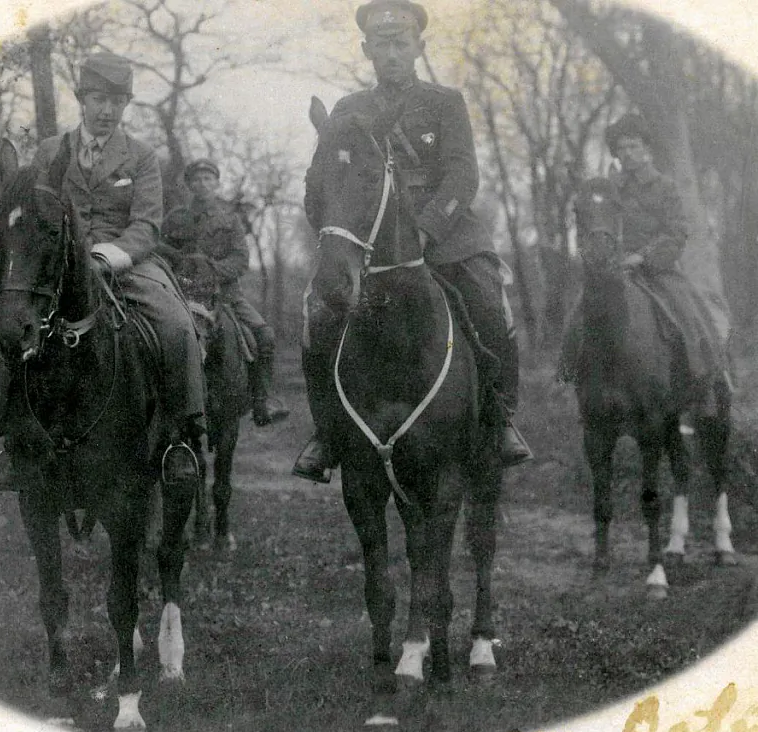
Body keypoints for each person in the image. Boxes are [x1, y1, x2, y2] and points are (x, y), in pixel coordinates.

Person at [292, 0, 533, 484]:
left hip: (443, 238)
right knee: (316, 314)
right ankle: (327, 432)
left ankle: (498, 419)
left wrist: (426, 227)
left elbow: (463, 173)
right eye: (382, 44)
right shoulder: (348, 110)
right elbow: (324, 181)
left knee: (489, 303)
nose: (392, 52)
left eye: (401, 43)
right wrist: (335, 235)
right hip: (369, 246)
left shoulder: (446, 103)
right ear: (366, 50)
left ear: (419, 47)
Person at [0, 51, 206, 489]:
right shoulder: (48, 152)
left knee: (176, 325)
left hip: (128, 264)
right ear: (82, 99)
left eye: (117, 102)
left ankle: (181, 436)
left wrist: (108, 255)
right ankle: (9, 435)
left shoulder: (140, 157)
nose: (107, 111)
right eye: (99, 99)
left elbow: (148, 224)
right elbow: (32, 209)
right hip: (58, 264)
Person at [559, 112, 731, 408]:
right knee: (580, 310)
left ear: (647, 149)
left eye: (634, 146)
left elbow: (676, 232)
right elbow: (601, 223)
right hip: (616, 269)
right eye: (622, 148)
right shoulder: (611, 188)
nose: (627, 154)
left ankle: (707, 373)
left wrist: (643, 257)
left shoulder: (665, 186)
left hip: (658, 270)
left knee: (688, 312)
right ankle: (567, 371)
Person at [161, 158, 290, 427]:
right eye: (197, 180)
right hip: (184, 294)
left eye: (208, 179)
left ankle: (262, 400)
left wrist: (211, 270)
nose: (203, 184)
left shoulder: (229, 219)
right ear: (189, 185)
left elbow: (241, 259)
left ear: (217, 183)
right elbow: (161, 252)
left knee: (264, 335)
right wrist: (183, 266)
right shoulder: (175, 219)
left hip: (226, 295)